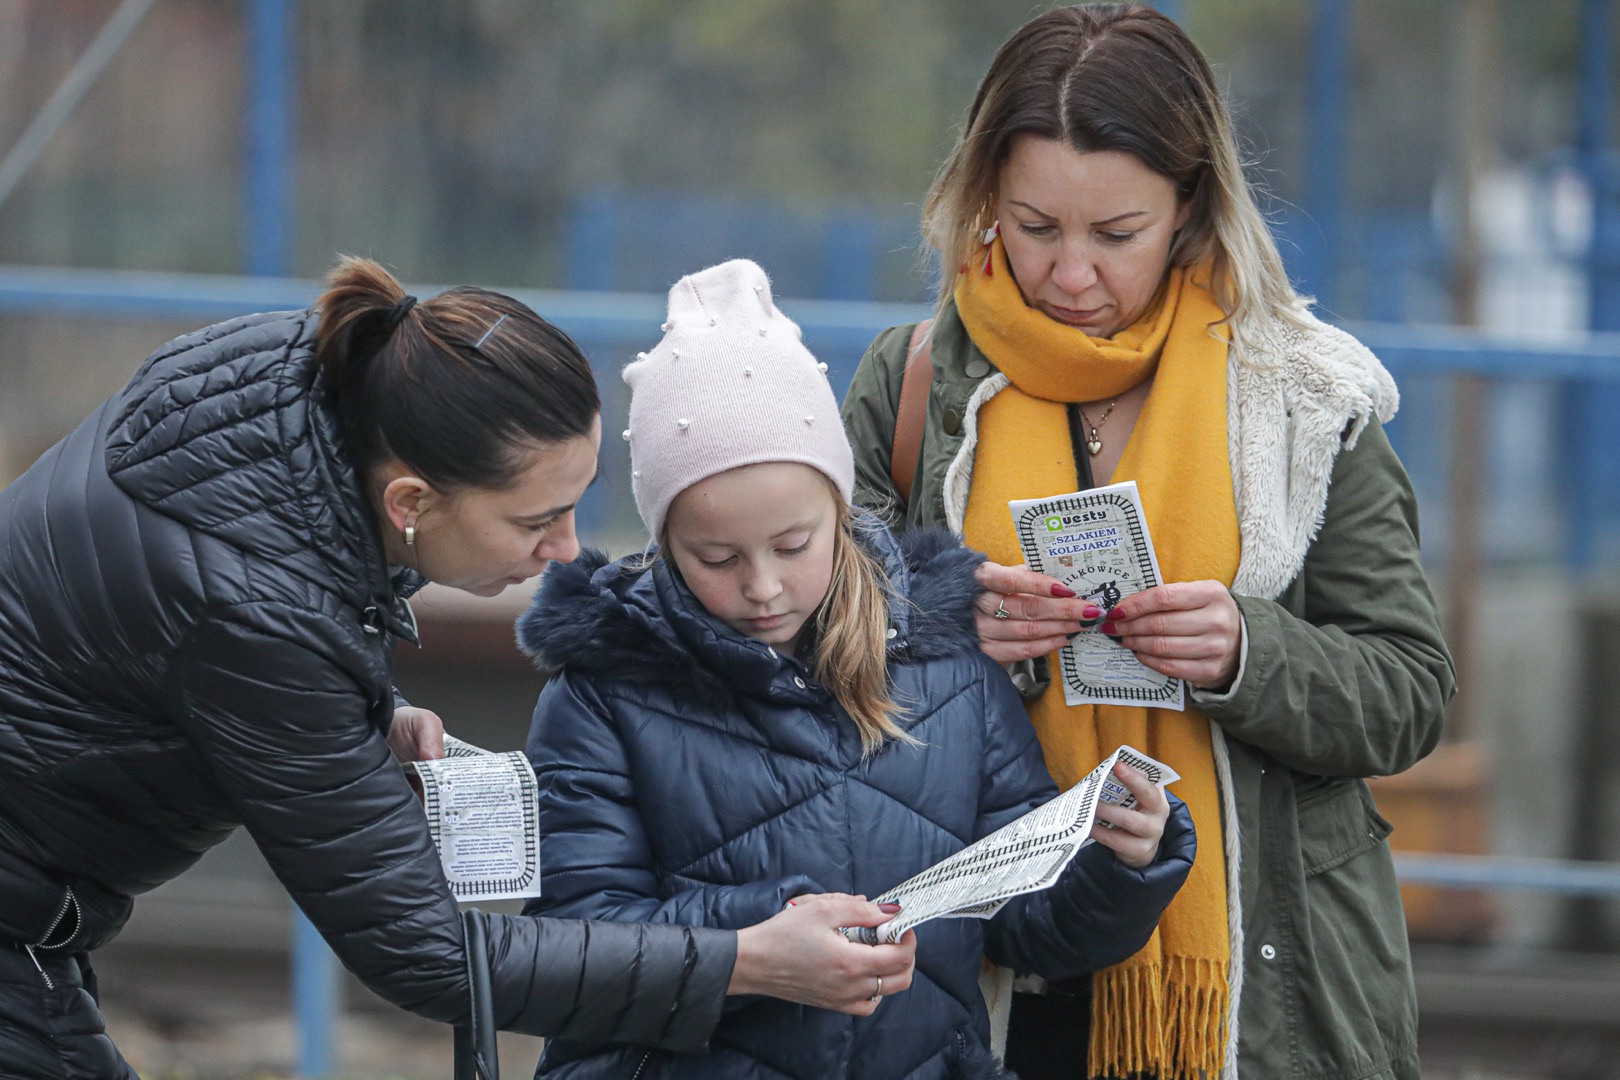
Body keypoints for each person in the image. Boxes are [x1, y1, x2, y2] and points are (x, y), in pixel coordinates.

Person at [0, 256, 915, 1079]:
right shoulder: (257, 619)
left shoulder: (303, 382)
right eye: (532, 523)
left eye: (576, 505)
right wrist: (751, 960)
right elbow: (431, 957)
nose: (565, 552)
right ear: (410, 501)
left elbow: (194, 619)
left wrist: (358, 701)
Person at [839, 6, 1458, 1080]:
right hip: (984, 968)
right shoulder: (911, 385)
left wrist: (1246, 656)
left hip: (1259, 992)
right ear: (983, 198)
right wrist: (949, 620)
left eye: (1115, 236)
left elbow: (1408, 692)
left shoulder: (1305, 396)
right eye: (1035, 226)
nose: (1070, 274)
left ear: (1190, 210)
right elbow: (797, 650)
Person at [516, 258, 1196, 1080]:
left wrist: (1120, 864)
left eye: (794, 545)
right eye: (716, 556)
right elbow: (576, 951)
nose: (762, 586)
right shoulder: (601, 693)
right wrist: (764, 940)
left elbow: (1027, 924)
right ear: (662, 542)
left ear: (842, 511)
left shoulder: (946, 664)